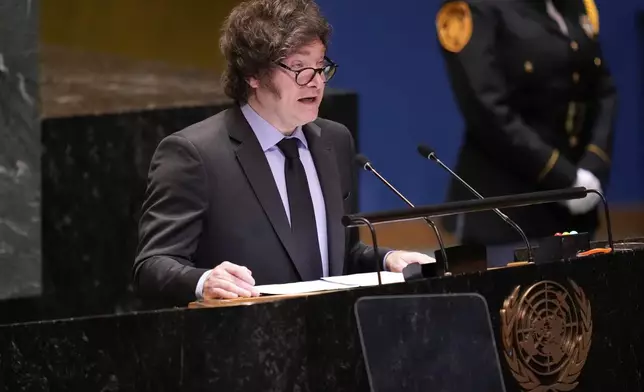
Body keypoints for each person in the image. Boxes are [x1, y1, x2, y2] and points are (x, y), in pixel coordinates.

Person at [133, 0, 434, 305]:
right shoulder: (195, 154)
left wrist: (388, 260)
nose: (316, 82)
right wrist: (203, 281)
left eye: (320, 66)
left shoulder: (335, 141)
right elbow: (153, 266)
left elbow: (342, 256)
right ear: (253, 74)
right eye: (299, 68)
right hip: (245, 340)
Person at [434, 0, 617, 265]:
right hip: (509, 208)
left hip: (579, 205)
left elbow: (604, 91)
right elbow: (487, 111)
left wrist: (593, 165)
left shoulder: (574, 5)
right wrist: (564, 179)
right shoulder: (476, 8)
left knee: (580, 303)